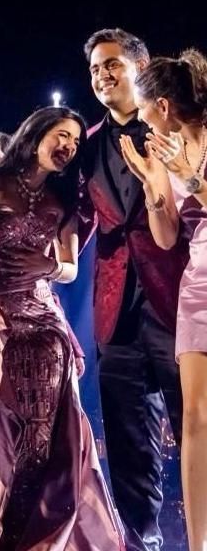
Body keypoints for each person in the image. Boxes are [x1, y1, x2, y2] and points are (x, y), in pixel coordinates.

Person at [0, 106, 123, 549]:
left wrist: (48, 265)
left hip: (43, 324)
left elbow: (70, 269)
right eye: (62, 135)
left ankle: (25, 537)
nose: (69, 146)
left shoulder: (61, 203)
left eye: (76, 142)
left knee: (42, 439)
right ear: (36, 134)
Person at [80, 28, 188, 551]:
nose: (102, 75)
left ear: (140, 68)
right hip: (114, 307)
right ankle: (139, 543)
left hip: (175, 299)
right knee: (127, 443)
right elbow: (74, 216)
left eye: (112, 65)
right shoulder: (86, 145)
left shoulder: (171, 128)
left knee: (196, 425)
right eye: (95, 69)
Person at [120, 48, 207, 551]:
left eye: (144, 107)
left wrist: (191, 178)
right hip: (198, 283)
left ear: (164, 106)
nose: (142, 118)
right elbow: (169, 238)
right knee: (194, 417)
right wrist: (156, 190)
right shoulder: (165, 155)